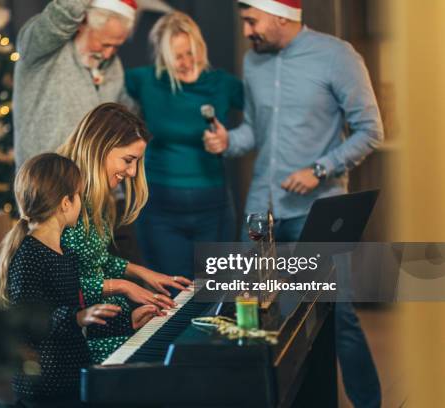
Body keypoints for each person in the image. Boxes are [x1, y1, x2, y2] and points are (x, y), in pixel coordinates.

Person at [203, 1, 383, 407]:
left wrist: (319, 168)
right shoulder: (254, 63)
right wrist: (229, 142)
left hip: (317, 211)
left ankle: (369, 403)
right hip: (260, 212)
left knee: (336, 318)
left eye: (252, 21)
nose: (247, 30)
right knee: (250, 315)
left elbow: (370, 130)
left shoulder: (337, 57)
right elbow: (254, 132)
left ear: (281, 15)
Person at [0, 153, 159, 405]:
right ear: (66, 203)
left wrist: (127, 322)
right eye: (79, 195)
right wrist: (77, 317)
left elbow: (77, 319)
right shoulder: (29, 255)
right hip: (44, 385)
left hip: (70, 378)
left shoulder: (65, 253)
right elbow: (27, 320)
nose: (81, 202)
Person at [58, 103, 192, 363]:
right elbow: (56, 290)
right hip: (74, 346)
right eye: (128, 160)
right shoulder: (63, 202)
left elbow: (94, 259)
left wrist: (142, 273)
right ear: (100, 146)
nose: (132, 172)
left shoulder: (95, 197)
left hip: (99, 329)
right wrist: (122, 285)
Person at [125, 11, 244, 280]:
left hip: (213, 209)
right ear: (162, 56)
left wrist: (230, 140)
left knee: (215, 292)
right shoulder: (146, 81)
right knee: (172, 293)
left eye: (192, 52)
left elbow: (265, 116)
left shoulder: (222, 84)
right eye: (177, 56)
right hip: (159, 210)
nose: (187, 62)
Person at [13, 0, 139, 168]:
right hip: (44, 180)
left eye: (116, 46)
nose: (109, 53)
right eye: (105, 44)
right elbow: (61, 15)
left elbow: (122, 114)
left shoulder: (113, 66)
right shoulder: (41, 50)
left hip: (92, 182)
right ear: (82, 23)